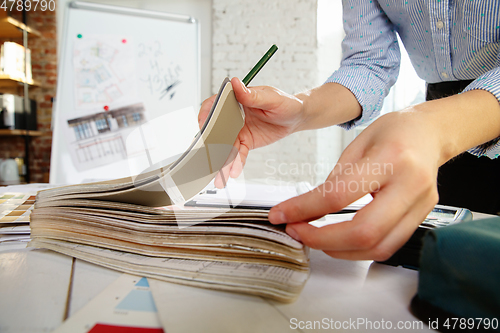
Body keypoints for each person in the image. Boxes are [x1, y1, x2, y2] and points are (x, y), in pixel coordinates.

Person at [198, 1, 500, 261]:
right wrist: (301, 110)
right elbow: (370, 62)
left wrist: (434, 125)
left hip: (446, 122)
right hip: (434, 132)